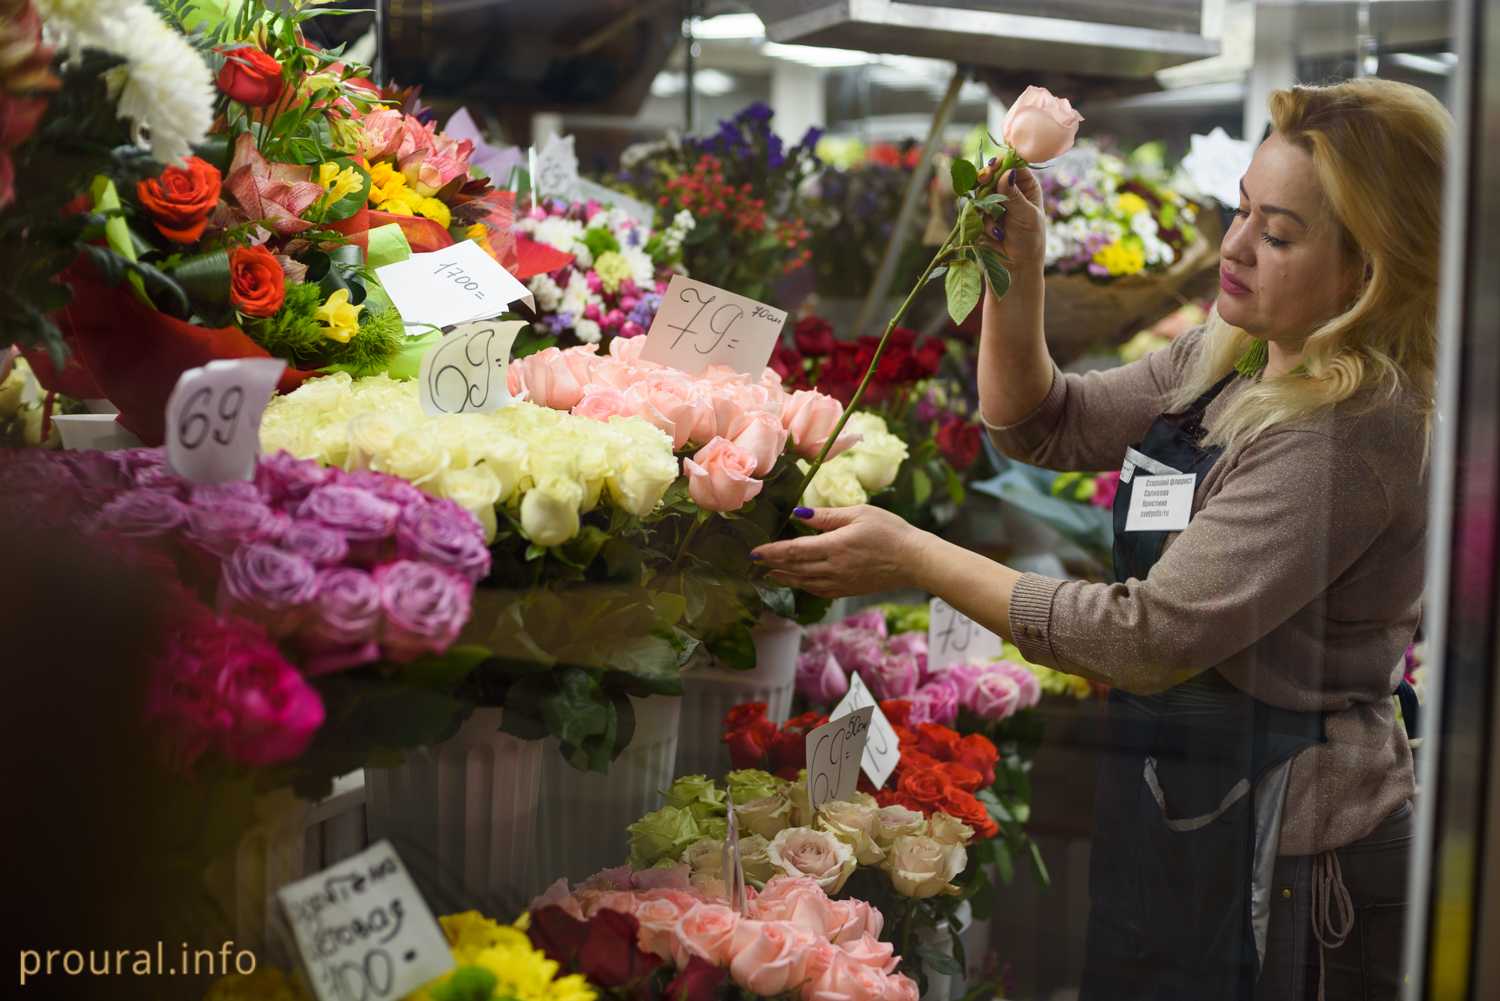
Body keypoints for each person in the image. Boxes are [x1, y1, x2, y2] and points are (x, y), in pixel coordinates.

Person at [752, 78, 1448, 1001]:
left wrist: (915, 555)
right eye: (1241, 210)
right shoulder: (1233, 357)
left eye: (1278, 235)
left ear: (1371, 272)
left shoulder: (1350, 430)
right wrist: (1019, 263)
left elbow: (1145, 636)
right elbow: (1040, 422)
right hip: (1188, 801)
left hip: (1295, 861)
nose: (1233, 247)